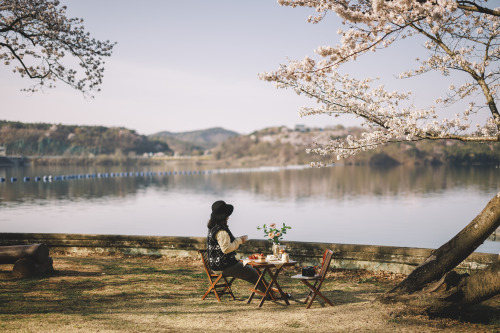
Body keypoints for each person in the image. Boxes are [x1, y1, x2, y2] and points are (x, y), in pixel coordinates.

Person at [206, 200, 267, 293]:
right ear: (223, 216)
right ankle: (270, 293)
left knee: (252, 271)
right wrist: (239, 241)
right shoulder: (221, 231)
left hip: (217, 265)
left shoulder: (213, 228)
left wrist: (238, 240)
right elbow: (226, 249)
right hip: (223, 267)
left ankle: (269, 291)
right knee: (254, 273)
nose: (228, 217)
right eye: (227, 215)